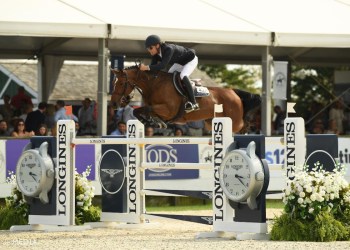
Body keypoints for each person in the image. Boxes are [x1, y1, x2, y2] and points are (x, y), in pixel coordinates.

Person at [139, 35, 199, 113]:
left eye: (150, 48)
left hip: (191, 60)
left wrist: (146, 67)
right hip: (180, 62)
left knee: (183, 75)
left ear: (157, 45)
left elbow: (162, 65)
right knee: (168, 76)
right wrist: (141, 71)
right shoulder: (156, 54)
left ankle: (193, 103)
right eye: (148, 49)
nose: (149, 50)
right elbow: (153, 69)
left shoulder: (168, 49)